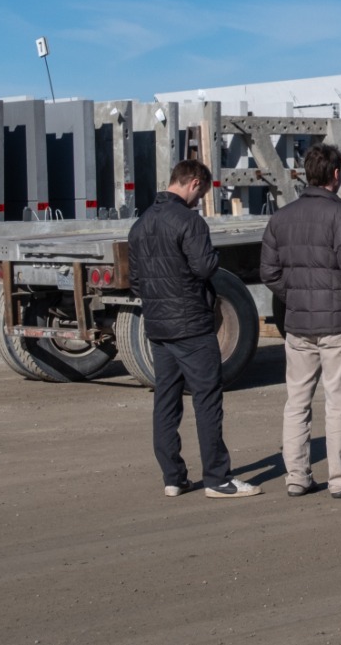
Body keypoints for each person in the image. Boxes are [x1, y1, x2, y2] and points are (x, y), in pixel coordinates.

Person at [126, 160, 259, 499]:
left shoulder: (140, 225)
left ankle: (173, 477)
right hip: (193, 326)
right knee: (207, 400)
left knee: (166, 401)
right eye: (202, 192)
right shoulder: (189, 221)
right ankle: (217, 478)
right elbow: (204, 267)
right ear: (194, 182)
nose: (201, 199)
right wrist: (212, 259)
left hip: (158, 327)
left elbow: (137, 283)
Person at [260, 144, 341, 499]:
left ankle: (297, 476)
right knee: (340, 401)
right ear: (337, 175)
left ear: (306, 175)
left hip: (298, 325)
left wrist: (295, 295)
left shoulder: (281, 217)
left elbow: (269, 272)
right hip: (339, 324)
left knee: (297, 401)